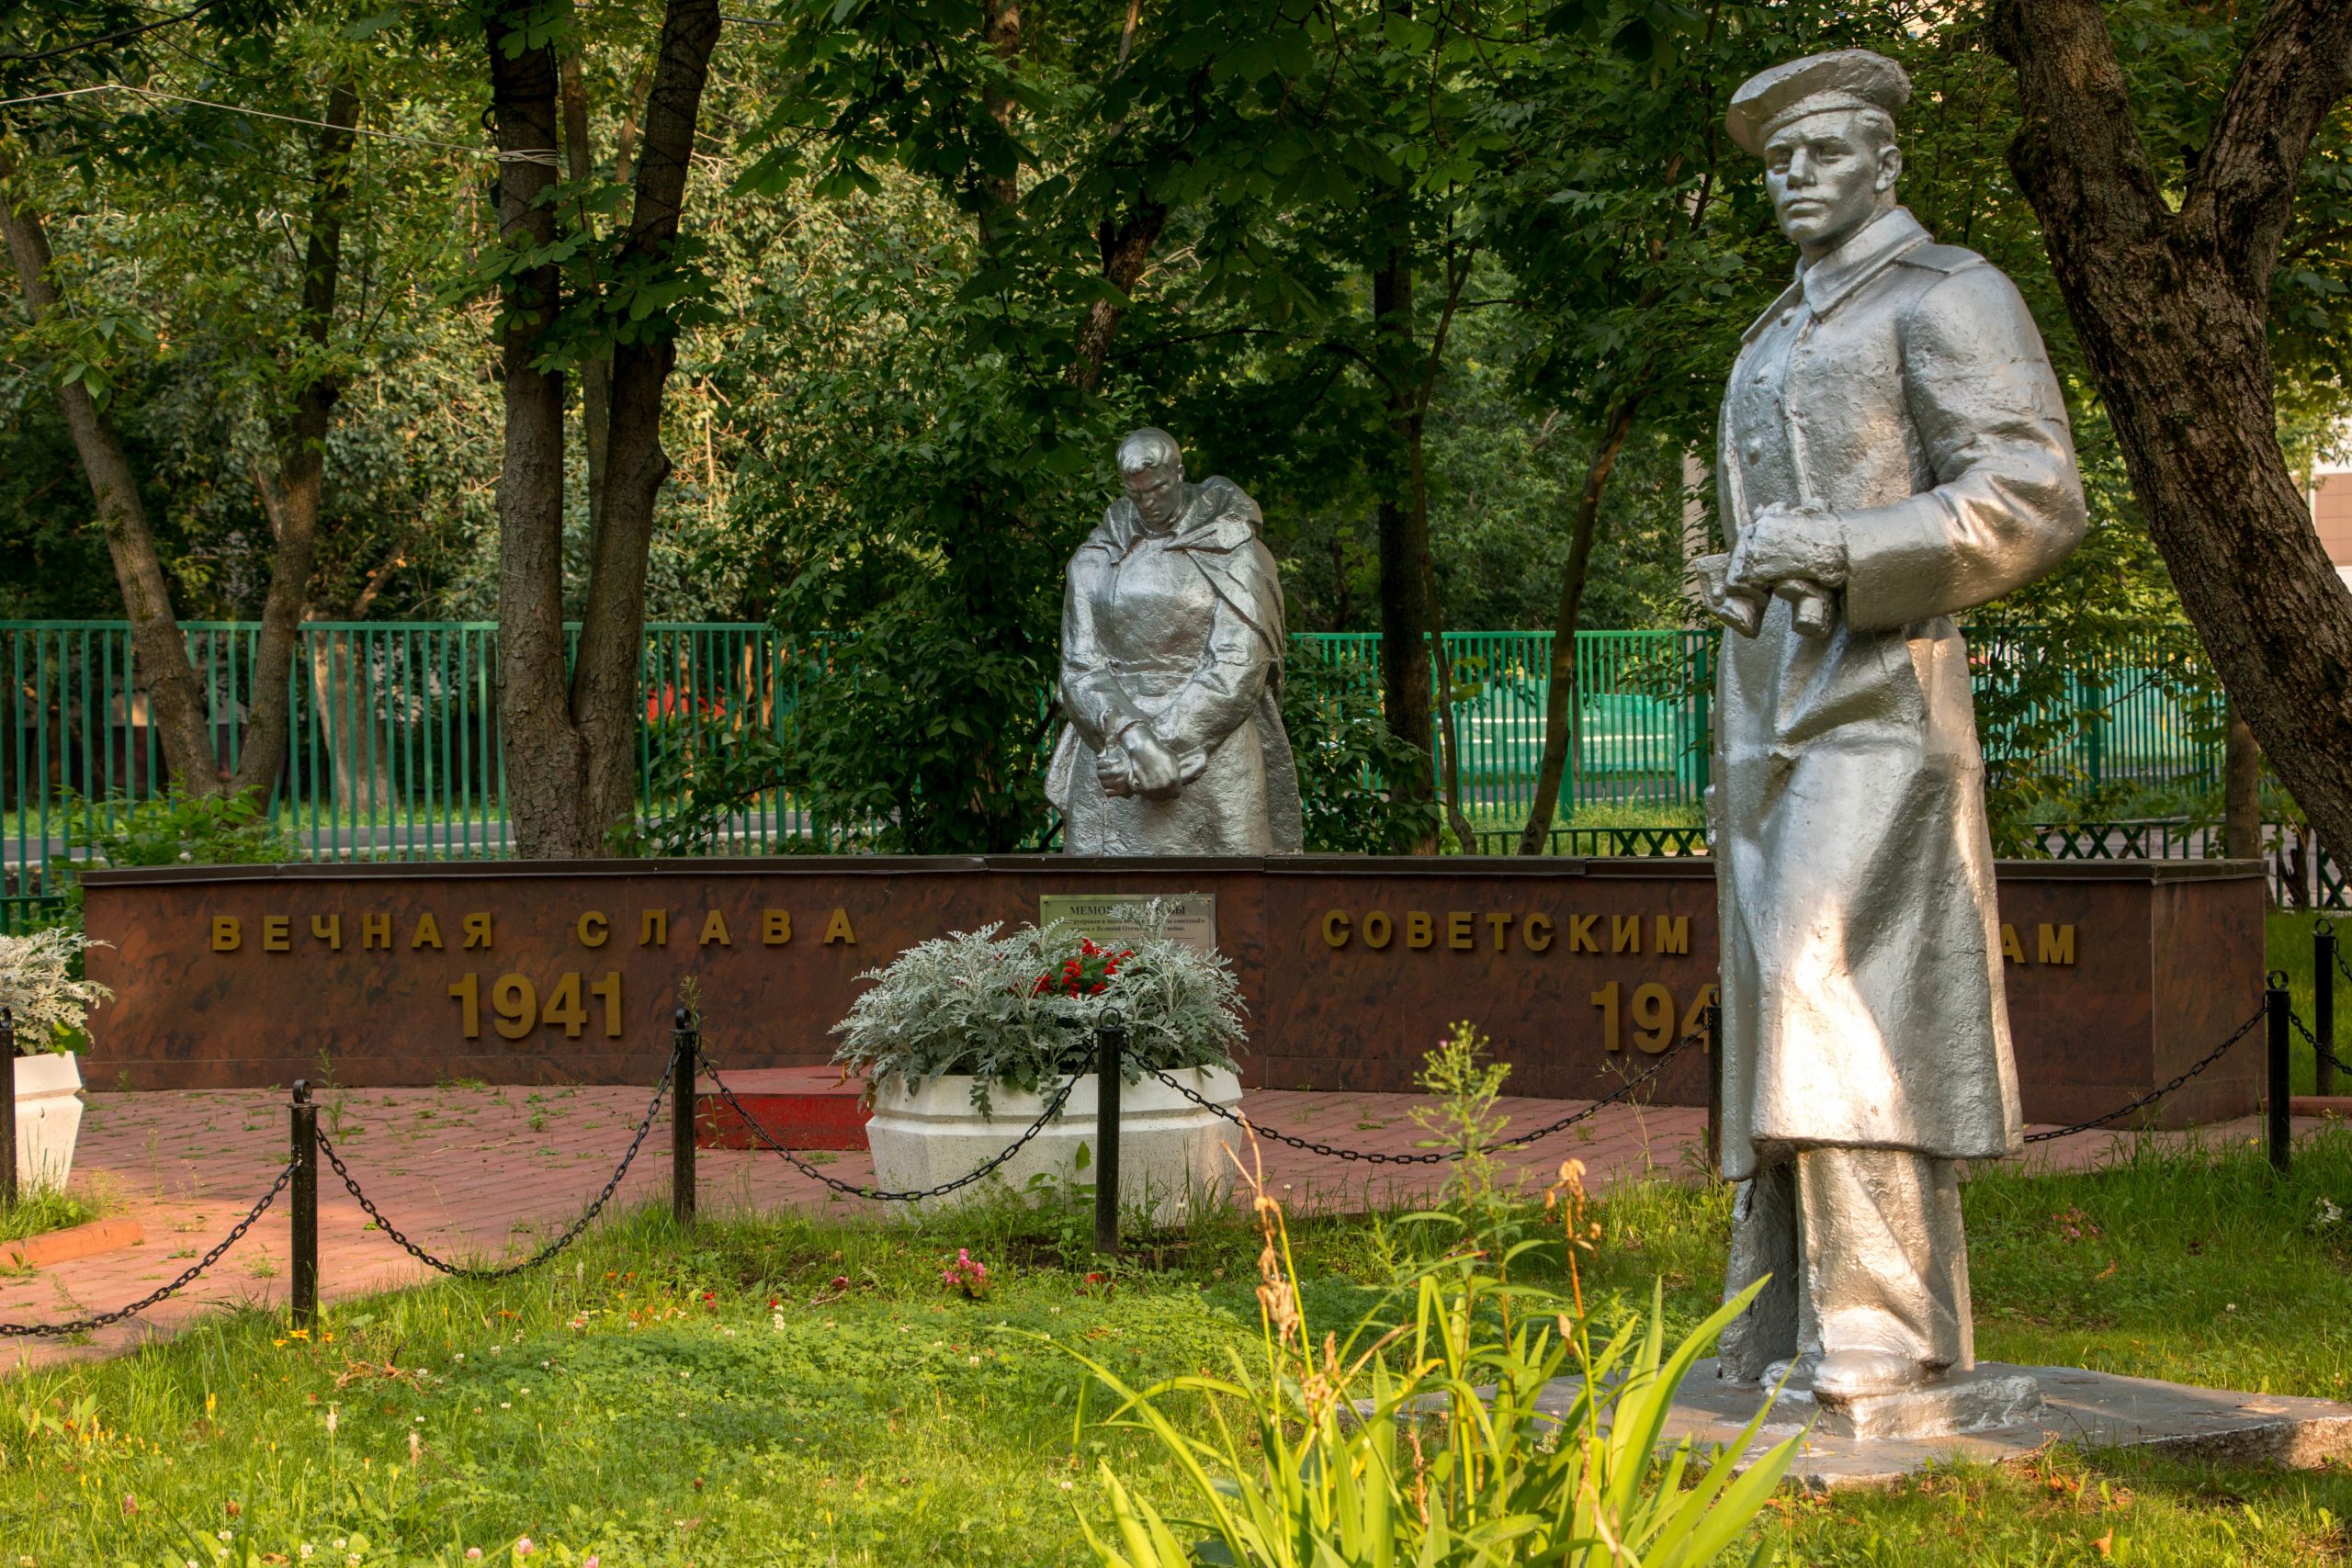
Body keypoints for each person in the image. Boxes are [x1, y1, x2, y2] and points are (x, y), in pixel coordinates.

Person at [1694, 50, 2087, 1404]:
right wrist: (1745, 570)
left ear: (1884, 162)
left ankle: (1885, 1320)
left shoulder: (1948, 293)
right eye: (1775, 162)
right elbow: (1774, 518)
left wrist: (1848, 548)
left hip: (1881, 697)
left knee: (1829, 972)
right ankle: (1786, 1309)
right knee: (1779, 997)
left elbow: (2032, 492)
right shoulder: (1771, 329)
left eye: (1817, 153)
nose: (1791, 178)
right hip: (1764, 704)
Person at [1048, 428, 1304, 856]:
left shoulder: (1235, 551)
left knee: (1234, 906)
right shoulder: (1095, 558)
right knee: (1099, 907)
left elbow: (1238, 664)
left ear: (1179, 473)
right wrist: (1135, 742)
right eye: (1135, 493)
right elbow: (1080, 668)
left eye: (1158, 489)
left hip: (1215, 756)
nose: (1148, 502)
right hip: (1112, 753)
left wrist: (1162, 748)